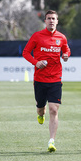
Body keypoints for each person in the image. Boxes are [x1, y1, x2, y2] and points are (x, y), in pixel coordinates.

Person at [22, 10, 71, 152]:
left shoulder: (61, 37)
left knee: (54, 110)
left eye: (53, 18)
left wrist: (66, 55)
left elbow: (66, 50)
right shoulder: (37, 36)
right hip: (40, 79)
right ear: (45, 21)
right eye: (48, 18)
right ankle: (40, 114)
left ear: (57, 21)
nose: (51, 21)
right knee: (41, 108)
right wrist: (36, 63)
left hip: (55, 78)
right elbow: (25, 52)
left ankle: (51, 141)